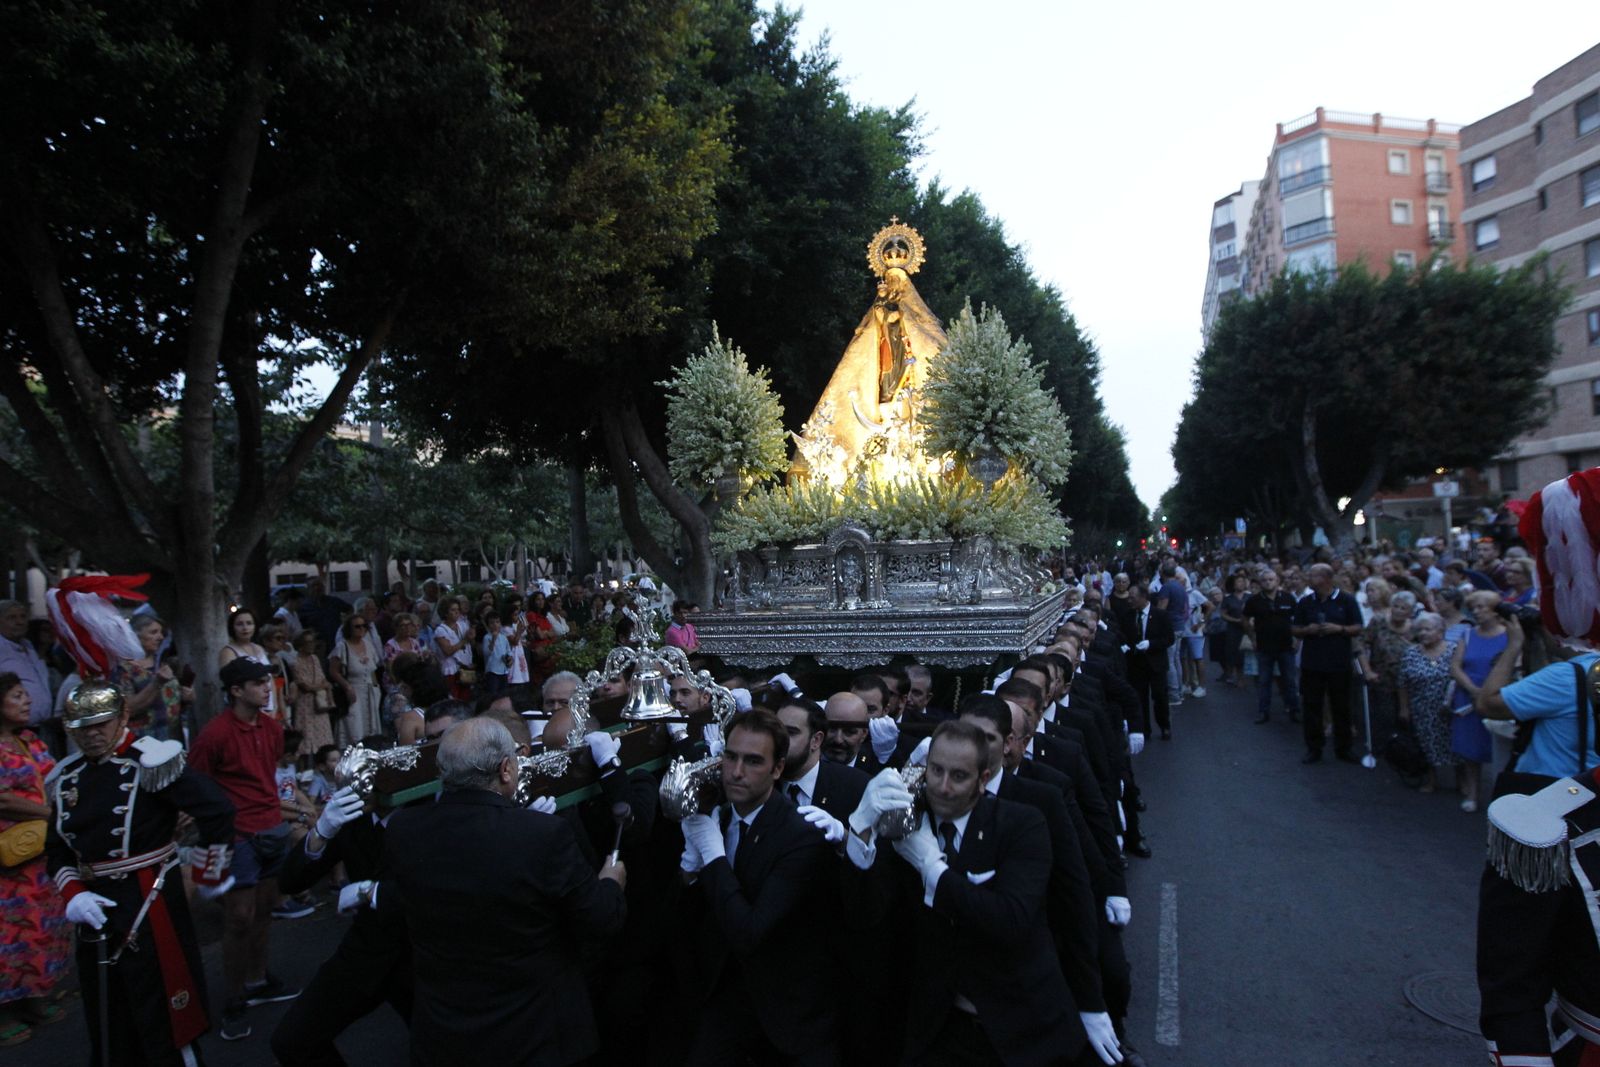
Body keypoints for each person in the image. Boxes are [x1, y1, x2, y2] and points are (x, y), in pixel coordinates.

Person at [369, 716, 626, 1065]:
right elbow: (599, 918)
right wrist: (611, 881)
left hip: (446, 1034)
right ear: (506, 769)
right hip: (533, 1035)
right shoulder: (541, 835)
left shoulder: (403, 831)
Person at [842, 720, 1094, 1066]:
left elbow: (1010, 921)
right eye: (936, 771)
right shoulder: (905, 825)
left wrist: (933, 869)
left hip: (1023, 1029)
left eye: (959, 776)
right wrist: (859, 834)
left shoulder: (1022, 825)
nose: (943, 787)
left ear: (984, 777)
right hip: (939, 1028)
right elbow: (867, 916)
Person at [48, 680, 236, 1065]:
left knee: (163, 1012)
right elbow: (57, 850)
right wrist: (74, 895)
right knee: (109, 1013)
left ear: (123, 717)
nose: (93, 734)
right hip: (93, 908)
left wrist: (208, 873)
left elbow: (217, 809)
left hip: (149, 902)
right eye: (83, 727)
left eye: (101, 723)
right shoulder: (66, 776)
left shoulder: (152, 761)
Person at [678, 709, 841, 1064]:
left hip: (786, 1021)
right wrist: (690, 870)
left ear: (778, 769)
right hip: (722, 1007)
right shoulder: (717, 817)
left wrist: (713, 857)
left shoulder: (800, 838)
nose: (736, 772)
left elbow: (751, 932)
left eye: (753, 761)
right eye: (730, 757)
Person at [188, 657, 302, 1041]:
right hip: (237, 836)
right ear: (236, 690)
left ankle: (258, 979)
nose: (267, 687)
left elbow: (267, 773)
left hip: (272, 828)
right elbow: (198, 785)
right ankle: (234, 997)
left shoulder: (272, 728)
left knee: (265, 911)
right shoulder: (213, 735)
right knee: (239, 917)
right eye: (258, 682)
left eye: (267, 681)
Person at [0, 673, 70, 1046]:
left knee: (38, 926)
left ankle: (32, 999)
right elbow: (5, 799)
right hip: (8, 857)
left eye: (26, 695)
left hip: (39, 851)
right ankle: (4, 1012)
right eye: (16, 696)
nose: (27, 702)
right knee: (7, 935)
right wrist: (49, 814)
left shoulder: (30, 740)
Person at [1291, 563, 1364, 765]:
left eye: (1313, 575)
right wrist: (1308, 630)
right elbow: (1295, 628)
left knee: (1341, 706)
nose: (1309, 578)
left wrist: (1338, 629)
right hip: (1312, 662)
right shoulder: (1305, 602)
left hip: (1338, 662)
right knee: (1312, 706)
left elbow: (1358, 627)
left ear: (1326, 578)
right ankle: (1314, 747)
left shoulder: (1346, 600)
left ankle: (1344, 747)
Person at [1450, 590, 1514, 813]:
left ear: (1495, 611)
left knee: (1499, 748)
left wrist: (1487, 692)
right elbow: (1456, 666)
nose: (1476, 612)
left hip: (1498, 696)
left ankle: (1500, 798)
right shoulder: (1467, 634)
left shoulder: (1509, 636)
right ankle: (1472, 793)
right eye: (1473, 607)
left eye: (1481, 607)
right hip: (1468, 696)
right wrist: (1472, 689)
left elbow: (1515, 666)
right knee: (1470, 750)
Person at [1397, 613, 1458, 794]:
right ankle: (1431, 780)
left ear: (1440, 631)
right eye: (1420, 630)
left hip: (1449, 707)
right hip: (1421, 707)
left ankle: (1462, 781)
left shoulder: (1454, 650)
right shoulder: (1411, 653)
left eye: (1428, 629)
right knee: (1425, 744)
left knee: (1455, 745)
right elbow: (1402, 682)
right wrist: (1404, 708)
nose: (1423, 633)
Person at [113, 614, 186, 741]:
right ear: (135, 635)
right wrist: (156, 683)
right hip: (145, 739)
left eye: (161, 632)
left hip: (173, 736)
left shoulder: (164, 662)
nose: (160, 637)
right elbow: (127, 709)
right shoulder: (124, 669)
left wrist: (186, 697)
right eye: (154, 632)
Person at [1243, 568, 1300, 725]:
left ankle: (1294, 710)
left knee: (1289, 680)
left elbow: (1298, 619)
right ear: (1260, 583)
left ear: (1277, 581)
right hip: (1264, 646)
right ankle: (1263, 711)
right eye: (1265, 580)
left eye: (1271, 579)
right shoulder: (1254, 601)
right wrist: (1252, 637)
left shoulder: (1288, 598)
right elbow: (1245, 619)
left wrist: (1297, 639)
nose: (1268, 582)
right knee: (1264, 680)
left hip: (1286, 646)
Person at [1360, 589, 1416, 741]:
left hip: (1407, 681)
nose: (1398, 610)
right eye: (1396, 606)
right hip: (1382, 678)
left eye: (1403, 608)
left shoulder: (1415, 627)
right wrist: (1367, 670)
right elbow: (1361, 645)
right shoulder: (1378, 621)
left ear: (1410, 612)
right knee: (1385, 717)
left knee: (1406, 717)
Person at [1124, 582, 1174, 741]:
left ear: (1144, 597)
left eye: (1133, 597)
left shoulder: (1161, 615)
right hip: (1136, 664)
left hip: (1156, 663)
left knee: (1160, 696)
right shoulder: (1128, 615)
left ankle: (1164, 725)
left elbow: (1169, 638)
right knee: (1139, 698)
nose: (1129, 601)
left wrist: (1151, 644)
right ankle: (1144, 729)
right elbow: (1123, 635)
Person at [330, 615, 383, 743]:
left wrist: (377, 690)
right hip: (353, 691)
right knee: (354, 727)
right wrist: (347, 687)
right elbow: (333, 671)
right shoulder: (342, 647)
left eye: (364, 626)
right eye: (357, 626)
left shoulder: (369, 645)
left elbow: (373, 670)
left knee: (371, 729)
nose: (361, 629)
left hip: (370, 691)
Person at [219, 608, 278, 719]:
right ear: (232, 627)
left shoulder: (259, 648)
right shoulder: (228, 652)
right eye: (240, 624)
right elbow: (231, 686)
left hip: (268, 709)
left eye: (249, 623)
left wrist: (274, 707)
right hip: (246, 713)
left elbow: (270, 679)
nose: (245, 628)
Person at [291, 630, 338, 757]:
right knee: (306, 737)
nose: (312, 645)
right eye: (309, 642)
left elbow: (321, 677)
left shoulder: (314, 658)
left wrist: (324, 687)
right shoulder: (295, 662)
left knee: (323, 738)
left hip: (319, 702)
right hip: (305, 704)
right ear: (301, 645)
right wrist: (323, 686)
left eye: (313, 642)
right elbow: (305, 686)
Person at [432, 598, 476, 702]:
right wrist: (465, 640)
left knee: (466, 699)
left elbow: (471, 645)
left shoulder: (463, 625)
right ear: (445, 613)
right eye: (453, 610)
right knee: (453, 699)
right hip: (450, 670)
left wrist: (471, 637)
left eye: (458, 609)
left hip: (465, 668)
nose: (457, 612)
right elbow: (447, 651)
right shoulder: (440, 630)